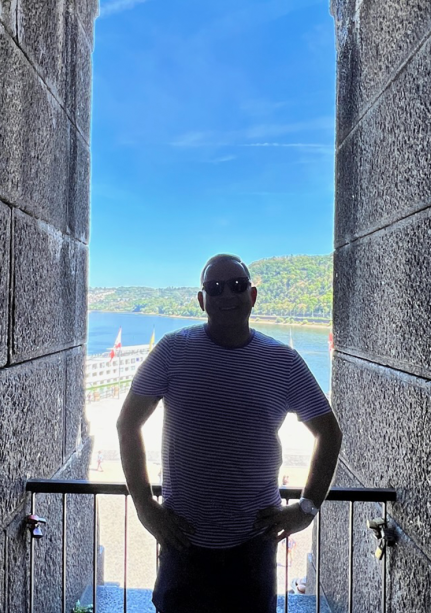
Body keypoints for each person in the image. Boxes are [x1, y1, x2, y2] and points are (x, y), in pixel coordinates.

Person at [116, 254, 343, 613]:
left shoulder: (283, 361)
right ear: (201, 299)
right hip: (183, 541)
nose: (226, 294)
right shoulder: (173, 351)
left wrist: (307, 507)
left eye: (237, 286)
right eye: (214, 287)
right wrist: (145, 506)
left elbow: (329, 433)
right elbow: (127, 424)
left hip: (253, 546)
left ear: (252, 296)